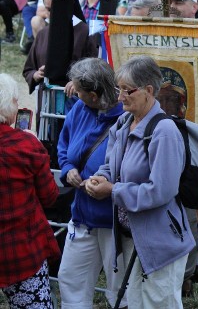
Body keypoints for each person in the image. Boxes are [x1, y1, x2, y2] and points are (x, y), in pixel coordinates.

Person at [86, 56, 195, 308]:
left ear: (148, 91)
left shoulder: (164, 131)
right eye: (118, 89)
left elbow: (160, 192)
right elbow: (110, 164)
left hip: (160, 242)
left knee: (159, 303)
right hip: (133, 237)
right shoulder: (124, 122)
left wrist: (112, 190)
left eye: (127, 90)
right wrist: (101, 177)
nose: (120, 96)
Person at [56, 58, 127, 309]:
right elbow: (64, 145)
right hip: (82, 217)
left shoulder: (128, 120)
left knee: (120, 291)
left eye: (80, 92)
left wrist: (108, 186)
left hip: (114, 223)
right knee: (70, 279)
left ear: (94, 96)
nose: (75, 93)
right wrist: (68, 169)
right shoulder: (79, 109)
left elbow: (136, 170)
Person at [0, 73, 60, 308]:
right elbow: (50, 196)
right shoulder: (26, 146)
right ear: (8, 106)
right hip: (20, 253)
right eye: (16, 101)